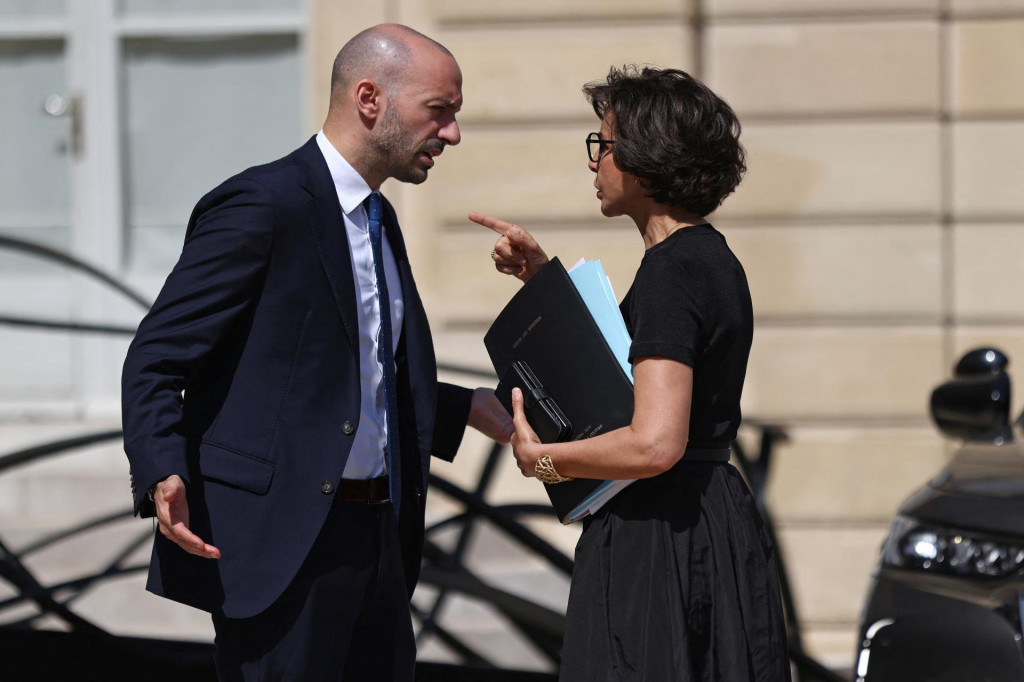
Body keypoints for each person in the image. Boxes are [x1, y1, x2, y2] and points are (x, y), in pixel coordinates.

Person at [122, 24, 512, 681]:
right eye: (438, 112)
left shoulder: (381, 219)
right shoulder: (262, 204)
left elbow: (339, 374)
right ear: (370, 99)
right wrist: (163, 466)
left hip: (379, 541)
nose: (452, 135)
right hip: (281, 549)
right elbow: (158, 356)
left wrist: (461, 407)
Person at [472, 66, 791, 681]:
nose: (594, 164)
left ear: (647, 157)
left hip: (661, 542)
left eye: (605, 145)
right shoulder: (707, 257)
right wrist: (543, 284)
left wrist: (543, 460)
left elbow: (654, 441)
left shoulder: (674, 271)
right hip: (703, 523)